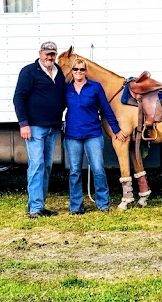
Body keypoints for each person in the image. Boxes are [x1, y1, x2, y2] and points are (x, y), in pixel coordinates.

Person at [64, 58, 128, 214]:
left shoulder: (95, 87)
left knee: (98, 169)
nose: (79, 72)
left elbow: (106, 109)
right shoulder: (66, 89)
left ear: (86, 71)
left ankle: (103, 204)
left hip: (93, 134)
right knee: (74, 171)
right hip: (73, 135)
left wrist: (116, 130)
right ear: (72, 71)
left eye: (82, 69)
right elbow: (56, 107)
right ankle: (76, 207)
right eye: (76, 69)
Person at [13, 41, 67, 218]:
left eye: (52, 54)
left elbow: (63, 98)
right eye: (47, 54)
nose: (50, 57)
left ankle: (39, 205)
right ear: (40, 53)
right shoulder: (29, 71)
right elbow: (19, 98)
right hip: (34, 127)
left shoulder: (59, 73)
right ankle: (35, 208)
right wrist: (24, 123)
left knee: (47, 166)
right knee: (37, 165)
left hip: (53, 126)